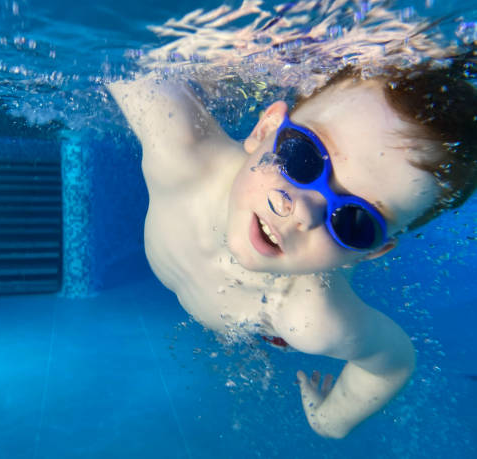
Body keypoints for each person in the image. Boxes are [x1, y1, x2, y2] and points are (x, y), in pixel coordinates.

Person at [107, 63, 477, 438]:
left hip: (272, 324)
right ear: (265, 129)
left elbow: (393, 363)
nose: (304, 212)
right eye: (302, 158)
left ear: (368, 253)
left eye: (355, 222)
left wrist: (331, 420)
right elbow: (119, 45)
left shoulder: (312, 318)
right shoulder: (181, 151)